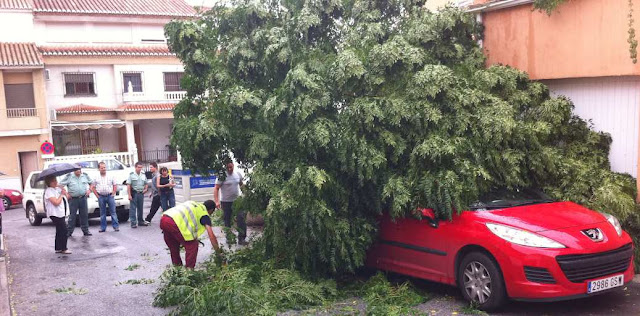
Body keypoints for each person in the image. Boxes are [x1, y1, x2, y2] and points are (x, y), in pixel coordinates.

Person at [160, 200, 220, 268]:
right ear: (211, 210)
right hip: (174, 223)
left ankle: (178, 269)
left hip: (164, 218)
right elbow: (211, 235)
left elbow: (189, 222)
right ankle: (189, 271)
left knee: (174, 246)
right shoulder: (204, 214)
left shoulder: (194, 204)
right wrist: (218, 252)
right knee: (192, 245)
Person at [213, 158, 248, 245]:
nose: (229, 169)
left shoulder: (238, 174)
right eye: (228, 168)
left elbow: (241, 185)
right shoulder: (222, 176)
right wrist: (216, 201)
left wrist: (246, 195)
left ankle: (241, 239)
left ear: (233, 166)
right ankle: (229, 238)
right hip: (226, 202)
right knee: (227, 220)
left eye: (231, 167)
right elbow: (216, 188)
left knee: (241, 219)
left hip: (237, 201)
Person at [60, 168, 93, 237]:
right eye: (77, 169)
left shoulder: (84, 176)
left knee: (84, 215)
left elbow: (92, 183)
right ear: (74, 170)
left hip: (83, 198)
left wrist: (89, 190)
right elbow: (60, 185)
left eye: (79, 169)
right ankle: (69, 231)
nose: (78, 171)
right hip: (73, 199)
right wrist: (66, 193)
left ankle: (85, 230)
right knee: (72, 216)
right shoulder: (69, 176)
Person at [44, 175, 71, 254]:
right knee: (64, 229)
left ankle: (58, 247)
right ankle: (63, 248)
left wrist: (63, 190)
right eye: (53, 181)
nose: (55, 182)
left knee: (59, 230)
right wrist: (61, 195)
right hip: (55, 213)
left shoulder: (56, 189)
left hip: (61, 212)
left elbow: (67, 196)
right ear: (49, 182)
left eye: (56, 180)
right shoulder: (48, 191)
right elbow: (56, 202)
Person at [91, 162, 119, 232]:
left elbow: (115, 185)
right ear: (99, 169)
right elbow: (93, 187)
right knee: (102, 213)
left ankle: (115, 226)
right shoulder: (96, 177)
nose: (103, 169)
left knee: (113, 212)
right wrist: (97, 196)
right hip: (101, 197)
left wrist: (113, 193)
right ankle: (103, 227)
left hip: (110, 196)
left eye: (104, 167)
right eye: (102, 168)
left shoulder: (111, 176)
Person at [127, 162, 148, 228]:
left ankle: (140, 221)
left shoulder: (143, 174)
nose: (140, 169)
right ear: (135, 167)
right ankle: (133, 222)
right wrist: (129, 195)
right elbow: (128, 185)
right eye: (138, 167)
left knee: (140, 208)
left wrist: (146, 189)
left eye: (141, 167)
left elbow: (146, 183)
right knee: (133, 208)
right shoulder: (132, 175)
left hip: (141, 193)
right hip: (134, 193)